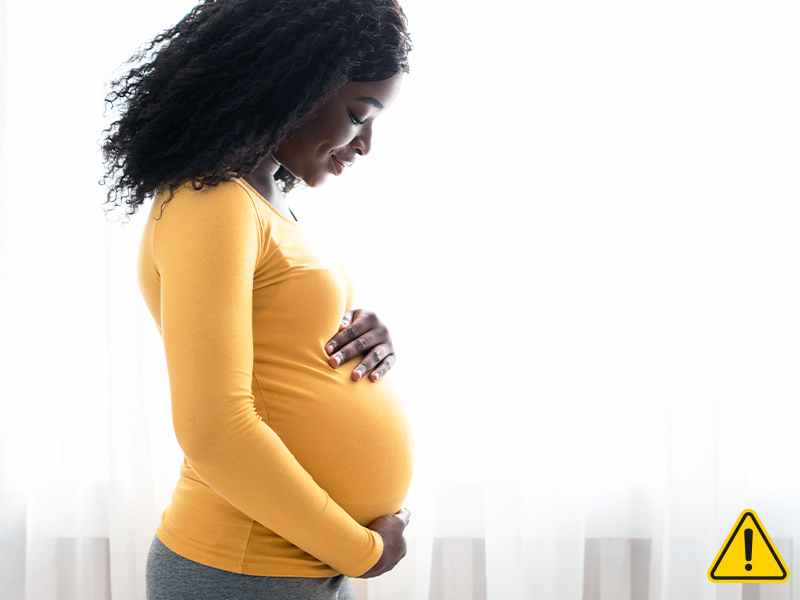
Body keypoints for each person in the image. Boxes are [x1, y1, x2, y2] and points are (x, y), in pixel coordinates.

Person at [100, 1, 414, 598]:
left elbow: (281, 346)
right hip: (245, 569)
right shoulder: (210, 202)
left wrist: (366, 337)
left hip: (292, 565)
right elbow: (214, 429)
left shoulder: (263, 199)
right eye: (358, 114)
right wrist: (363, 551)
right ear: (293, 87)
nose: (366, 143)